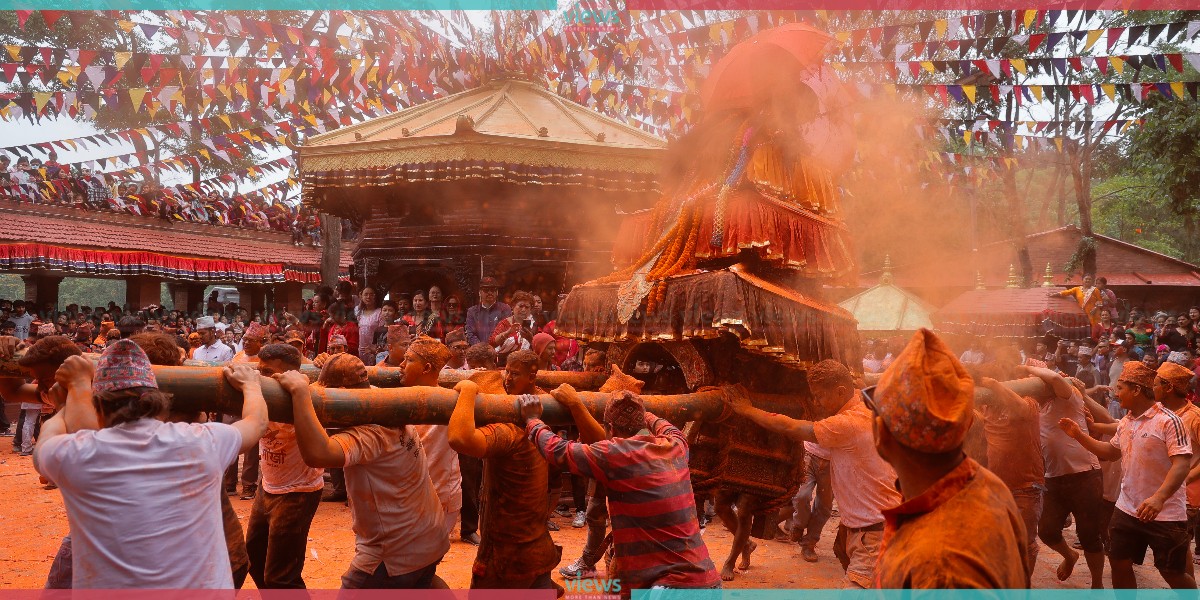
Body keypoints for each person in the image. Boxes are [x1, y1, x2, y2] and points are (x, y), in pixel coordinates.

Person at [33, 340, 268, 588]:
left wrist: (73, 393)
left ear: (98, 406)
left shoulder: (73, 453)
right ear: (160, 403)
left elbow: (52, 433)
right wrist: (251, 385)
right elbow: (257, 422)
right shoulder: (204, 441)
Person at [522, 386, 722, 592]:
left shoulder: (615, 453)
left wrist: (533, 421)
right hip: (709, 581)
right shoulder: (676, 446)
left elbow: (559, 451)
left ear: (611, 429)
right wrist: (644, 412)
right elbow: (669, 428)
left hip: (670, 589)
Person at [871, 329, 1030, 588]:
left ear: (883, 434)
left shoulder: (939, 566)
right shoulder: (987, 485)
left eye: (872, 403)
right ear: (966, 426)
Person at [724, 359, 902, 587]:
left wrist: (747, 410)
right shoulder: (863, 402)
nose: (816, 402)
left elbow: (790, 427)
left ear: (840, 392)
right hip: (876, 524)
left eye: (820, 396)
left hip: (873, 533)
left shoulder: (847, 423)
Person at [286, 353, 449, 588]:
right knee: (423, 581)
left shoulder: (370, 433)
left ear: (342, 392)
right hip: (428, 535)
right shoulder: (380, 399)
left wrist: (300, 394)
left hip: (394, 549)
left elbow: (318, 455)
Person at [1059, 361, 1197, 589]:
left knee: (1172, 573)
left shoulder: (1169, 421)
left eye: (1120, 387)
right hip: (1126, 510)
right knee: (1119, 563)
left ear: (1137, 390)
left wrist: (1159, 498)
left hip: (1165, 514)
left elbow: (1182, 465)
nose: (1115, 392)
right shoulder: (1126, 422)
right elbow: (1112, 452)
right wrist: (1078, 435)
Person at [448, 350, 560, 592]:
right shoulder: (540, 407)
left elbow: (459, 437)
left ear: (532, 376)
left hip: (506, 555)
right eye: (506, 372)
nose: (508, 379)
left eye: (515, 374)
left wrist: (468, 391)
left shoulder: (511, 430)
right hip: (538, 549)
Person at [1022, 364, 1109, 588]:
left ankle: (1097, 584)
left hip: (1085, 476)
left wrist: (1023, 365)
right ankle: (1070, 555)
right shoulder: (1035, 408)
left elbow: (1055, 379)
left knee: (1089, 535)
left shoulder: (1067, 396)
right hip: (1053, 478)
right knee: (1048, 531)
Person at [247, 343, 325, 589]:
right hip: (268, 485)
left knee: (281, 577)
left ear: (291, 374)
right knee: (253, 558)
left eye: (269, 373)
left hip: (298, 493)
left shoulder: (305, 397)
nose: (263, 378)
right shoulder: (258, 393)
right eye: (261, 371)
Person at [977, 376, 1046, 576]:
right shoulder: (986, 407)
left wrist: (995, 384)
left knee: (1024, 544)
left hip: (1026, 487)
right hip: (996, 488)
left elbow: (1022, 409)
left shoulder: (1029, 403)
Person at [402, 337, 463, 538]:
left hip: (440, 495)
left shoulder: (451, 400)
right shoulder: (396, 398)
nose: (401, 366)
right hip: (407, 495)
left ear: (426, 368)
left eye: (409, 360)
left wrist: (470, 387)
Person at [1154, 361, 1200, 577]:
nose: (1152, 388)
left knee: (1180, 552)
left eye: (1155, 384)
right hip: (1160, 492)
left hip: (1185, 496)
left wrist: (1187, 478)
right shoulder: (1156, 413)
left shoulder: (1194, 417)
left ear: (1168, 388)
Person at [791, 441, 833, 562]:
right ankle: (799, 524)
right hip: (811, 453)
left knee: (824, 505)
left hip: (835, 461)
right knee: (800, 496)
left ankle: (809, 544)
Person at [490, 290, 536, 362]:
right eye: (520, 306)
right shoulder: (504, 324)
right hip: (504, 364)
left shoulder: (534, 325)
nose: (523, 310)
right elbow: (492, 343)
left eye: (527, 307)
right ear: (513, 306)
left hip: (526, 364)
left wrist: (531, 339)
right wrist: (508, 333)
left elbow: (539, 348)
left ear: (530, 310)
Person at [464, 277, 510, 346]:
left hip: (500, 351)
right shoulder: (472, 311)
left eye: (493, 290)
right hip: (479, 352)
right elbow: (470, 334)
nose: (490, 292)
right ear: (480, 293)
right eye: (486, 290)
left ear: (497, 292)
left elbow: (507, 331)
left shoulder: (505, 309)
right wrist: (482, 349)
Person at [354, 287, 384, 366]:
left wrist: (376, 350)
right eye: (366, 294)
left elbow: (382, 333)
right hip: (361, 349)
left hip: (374, 349)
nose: (368, 297)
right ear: (361, 297)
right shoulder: (359, 313)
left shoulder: (380, 312)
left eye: (371, 294)